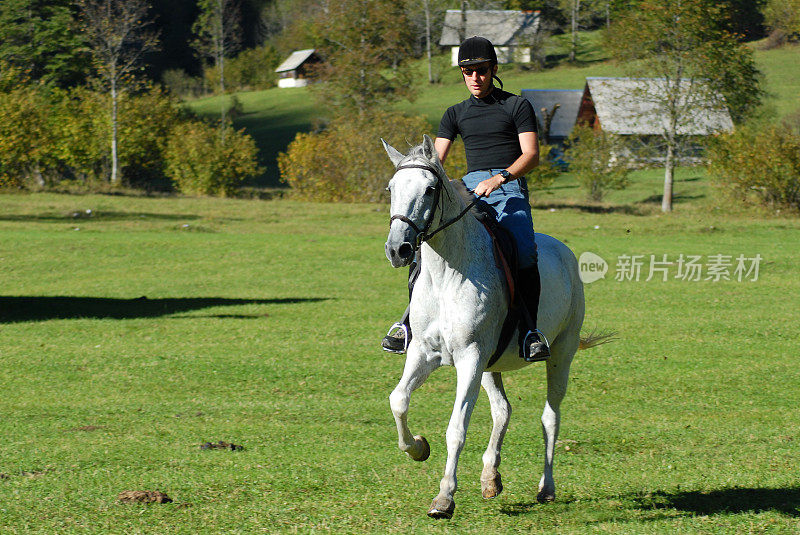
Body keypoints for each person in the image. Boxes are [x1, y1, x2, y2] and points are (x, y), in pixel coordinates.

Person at [382, 35, 550, 362]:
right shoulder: (454, 113)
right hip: (467, 188)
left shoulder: (517, 106)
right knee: (427, 242)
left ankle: (530, 331)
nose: (475, 77)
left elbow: (531, 155)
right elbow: (436, 161)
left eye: (482, 70)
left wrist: (500, 177)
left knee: (525, 251)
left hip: (508, 186)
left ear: (494, 69)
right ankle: (408, 324)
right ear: (462, 73)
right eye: (468, 71)